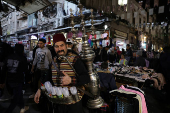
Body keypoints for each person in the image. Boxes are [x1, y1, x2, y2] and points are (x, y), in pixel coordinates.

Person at [34, 33, 90, 113]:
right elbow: (47, 78)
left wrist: (71, 80)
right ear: (54, 48)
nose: (60, 49)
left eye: (62, 45)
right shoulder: (53, 61)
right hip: (58, 103)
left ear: (66, 45)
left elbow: (86, 78)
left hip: (73, 104)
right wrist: (40, 90)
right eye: (57, 46)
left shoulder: (75, 60)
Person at [0, 44, 29, 113]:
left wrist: (1, 81)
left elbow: (3, 70)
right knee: (16, 98)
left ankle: (22, 107)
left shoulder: (8, 57)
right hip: (18, 80)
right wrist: (28, 80)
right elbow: (26, 70)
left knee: (19, 94)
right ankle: (9, 111)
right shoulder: (22, 58)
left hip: (9, 80)